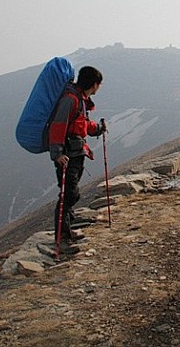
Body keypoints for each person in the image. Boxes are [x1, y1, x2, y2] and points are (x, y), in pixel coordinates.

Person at [49, 66, 106, 249]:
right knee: (69, 193)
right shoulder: (71, 100)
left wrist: (98, 128)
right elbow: (58, 125)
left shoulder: (80, 99)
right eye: (99, 83)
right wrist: (57, 154)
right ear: (94, 84)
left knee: (70, 192)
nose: (100, 87)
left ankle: (67, 228)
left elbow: (81, 124)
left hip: (76, 151)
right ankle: (62, 234)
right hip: (67, 154)